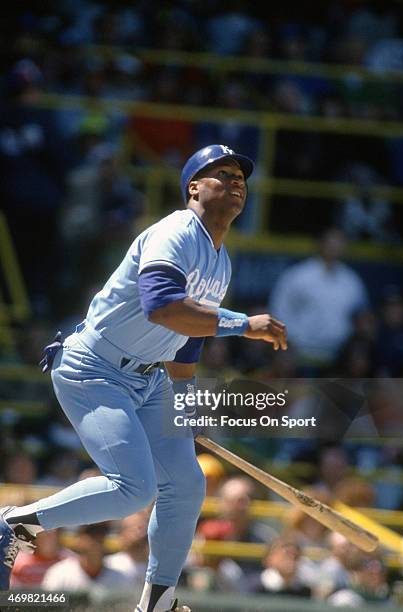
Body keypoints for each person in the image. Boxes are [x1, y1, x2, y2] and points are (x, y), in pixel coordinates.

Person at [0, 144, 288, 612]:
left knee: (187, 484)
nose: (236, 181)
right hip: (94, 368)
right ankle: (14, 522)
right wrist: (241, 323)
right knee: (134, 487)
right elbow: (163, 305)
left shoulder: (221, 259)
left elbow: (188, 339)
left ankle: (158, 601)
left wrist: (183, 403)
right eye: (222, 173)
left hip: (152, 379)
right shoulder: (175, 231)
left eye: (241, 176)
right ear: (194, 186)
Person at [269, 228, 368, 374]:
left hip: (339, 358)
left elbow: (361, 317)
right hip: (300, 356)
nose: (335, 246)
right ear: (320, 244)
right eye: (331, 242)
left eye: (339, 242)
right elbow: (279, 311)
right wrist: (290, 343)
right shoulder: (298, 275)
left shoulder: (351, 281)